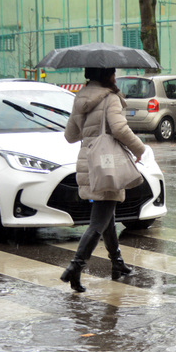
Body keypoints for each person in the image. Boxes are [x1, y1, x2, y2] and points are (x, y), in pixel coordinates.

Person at [60, 67, 147, 293]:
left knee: (107, 215)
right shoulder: (110, 98)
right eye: (113, 74)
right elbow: (119, 128)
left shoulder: (80, 98)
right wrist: (140, 149)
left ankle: (117, 263)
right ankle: (75, 267)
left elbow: (70, 136)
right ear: (107, 75)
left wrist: (90, 127)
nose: (115, 77)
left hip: (89, 163)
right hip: (107, 165)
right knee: (98, 222)